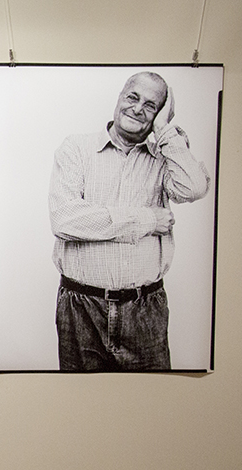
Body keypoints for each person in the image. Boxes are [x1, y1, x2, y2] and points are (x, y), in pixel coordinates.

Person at [49, 71, 210, 371]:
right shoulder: (76, 148)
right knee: (79, 399)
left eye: (150, 106)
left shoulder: (164, 156)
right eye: (133, 97)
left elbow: (194, 188)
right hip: (80, 308)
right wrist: (147, 219)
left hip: (144, 309)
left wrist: (164, 130)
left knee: (151, 399)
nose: (137, 109)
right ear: (120, 97)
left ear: (160, 113)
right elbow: (65, 220)